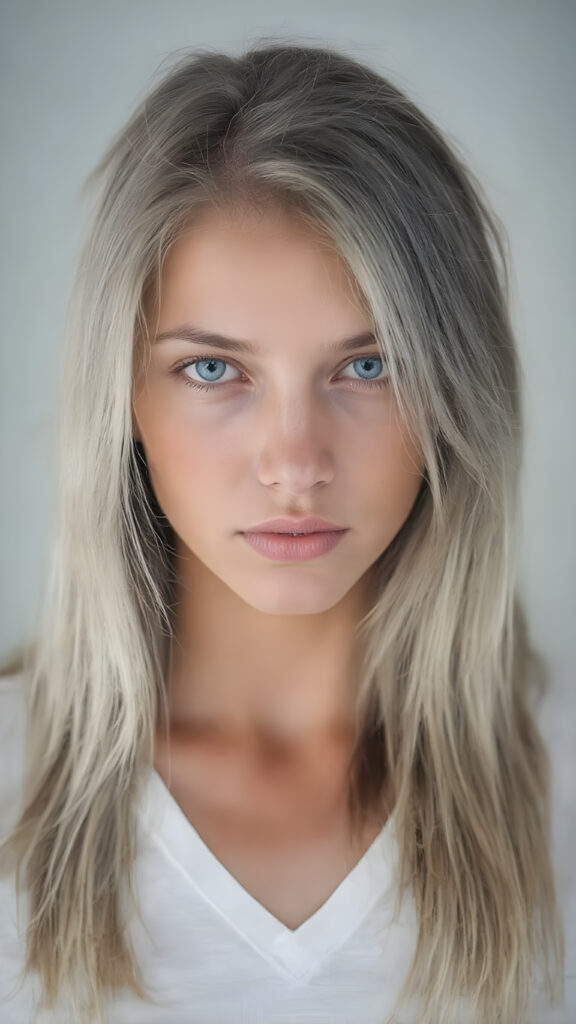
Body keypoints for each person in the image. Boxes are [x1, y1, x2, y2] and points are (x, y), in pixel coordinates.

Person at [0, 40, 565, 1024]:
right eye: (215, 369)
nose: (295, 461)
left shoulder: (559, 788)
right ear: (123, 399)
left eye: (368, 366)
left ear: (454, 394)